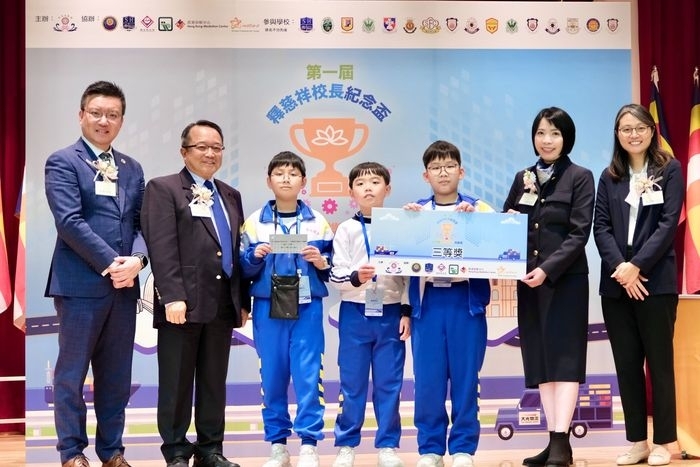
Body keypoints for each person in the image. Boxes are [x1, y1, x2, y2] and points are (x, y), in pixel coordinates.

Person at [44, 80, 147, 467]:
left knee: (116, 376)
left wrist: (138, 260)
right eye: (97, 113)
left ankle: (112, 451)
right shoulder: (62, 161)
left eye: (113, 115)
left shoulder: (132, 168)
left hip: (124, 287)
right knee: (71, 375)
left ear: (121, 120)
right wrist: (113, 262)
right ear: (81, 115)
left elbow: (141, 224)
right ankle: (72, 452)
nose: (104, 121)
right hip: (80, 286)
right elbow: (69, 222)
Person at [141, 120, 250, 467]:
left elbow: (235, 250)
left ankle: (210, 449)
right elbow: (161, 247)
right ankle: (175, 450)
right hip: (182, 303)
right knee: (176, 381)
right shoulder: (164, 188)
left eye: (216, 147)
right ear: (184, 152)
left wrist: (241, 300)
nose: (210, 153)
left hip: (222, 303)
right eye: (202, 147)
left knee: (214, 381)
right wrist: (172, 295)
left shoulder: (230, 194)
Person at [502, 107, 594, 467]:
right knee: (541, 359)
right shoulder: (522, 177)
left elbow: (579, 233)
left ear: (566, 138)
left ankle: (560, 440)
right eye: (541, 133)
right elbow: (507, 225)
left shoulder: (580, 177)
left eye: (555, 133)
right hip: (529, 282)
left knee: (565, 359)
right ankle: (555, 442)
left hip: (565, 281)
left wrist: (547, 269)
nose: (547, 140)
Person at [593, 104, 684, 467]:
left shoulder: (669, 169)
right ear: (617, 135)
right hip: (617, 285)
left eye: (639, 127)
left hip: (655, 281)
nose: (633, 134)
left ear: (651, 130)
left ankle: (664, 441)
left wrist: (637, 267)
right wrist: (621, 267)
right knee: (627, 365)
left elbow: (668, 223)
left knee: (659, 364)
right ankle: (638, 442)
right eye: (626, 129)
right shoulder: (609, 176)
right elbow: (600, 227)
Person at [240, 151, 334, 467]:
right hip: (268, 308)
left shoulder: (318, 221)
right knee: (272, 377)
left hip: (307, 307)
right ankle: (278, 445)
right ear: (268, 181)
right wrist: (253, 258)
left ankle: (309, 444)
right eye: (279, 174)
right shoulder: (254, 222)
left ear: (303, 181)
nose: (286, 179)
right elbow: (241, 269)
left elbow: (332, 266)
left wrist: (321, 261)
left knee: (309, 376)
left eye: (293, 174)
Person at [404, 140, 493, 467]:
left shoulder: (479, 210)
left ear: (461, 171)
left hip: (465, 303)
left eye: (449, 166)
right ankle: (430, 449)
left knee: (466, 378)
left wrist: (476, 225)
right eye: (436, 167)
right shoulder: (414, 212)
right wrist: (406, 224)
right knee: (428, 380)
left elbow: (497, 251)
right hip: (427, 304)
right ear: (426, 175)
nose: (443, 173)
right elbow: (399, 259)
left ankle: (463, 449)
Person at [329, 162, 411, 467]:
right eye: (361, 183)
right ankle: (346, 444)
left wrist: (406, 311)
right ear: (351, 192)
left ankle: (387, 445)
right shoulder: (346, 229)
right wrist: (355, 277)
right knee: (352, 383)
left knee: (390, 383)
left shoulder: (400, 226)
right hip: (355, 313)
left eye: (375, 182)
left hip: (390, 313)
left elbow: (410, 275)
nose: (368, 188)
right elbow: (335, 273)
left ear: (387, 189)